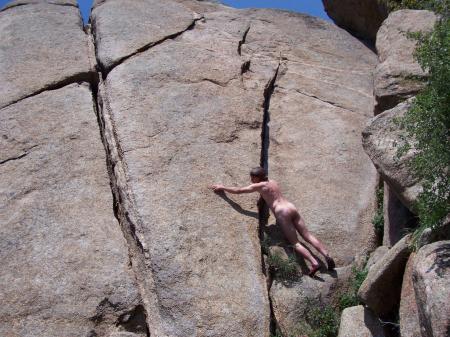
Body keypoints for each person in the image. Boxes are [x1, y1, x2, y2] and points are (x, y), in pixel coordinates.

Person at [210, 166, 335, 276]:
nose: (251, 180)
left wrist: (223, 188)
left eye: (252, 178)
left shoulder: (258, 185)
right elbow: (267, 194)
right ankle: (326, 255)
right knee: (307, 235)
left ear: (258, 178)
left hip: (281, 212)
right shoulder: (273, 181)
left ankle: (313, 263)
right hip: (290, 207)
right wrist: (261, 200)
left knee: (295, 242)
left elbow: (239, 191)